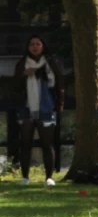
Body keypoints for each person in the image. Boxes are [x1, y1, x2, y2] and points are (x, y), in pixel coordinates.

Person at [13, 35, 65, 186]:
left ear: (43, 46)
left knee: (47, 144)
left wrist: (60, 103)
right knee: (25, 144)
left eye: (38, 44)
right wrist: (24, 75)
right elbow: (14, 86)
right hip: (26, 108)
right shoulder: (22, 63)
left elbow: (59, 84)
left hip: (46, 108)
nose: (35, 47)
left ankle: (49, 177)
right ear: (28, 47)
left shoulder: (51, 63)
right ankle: (25, 177)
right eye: (32, 44)